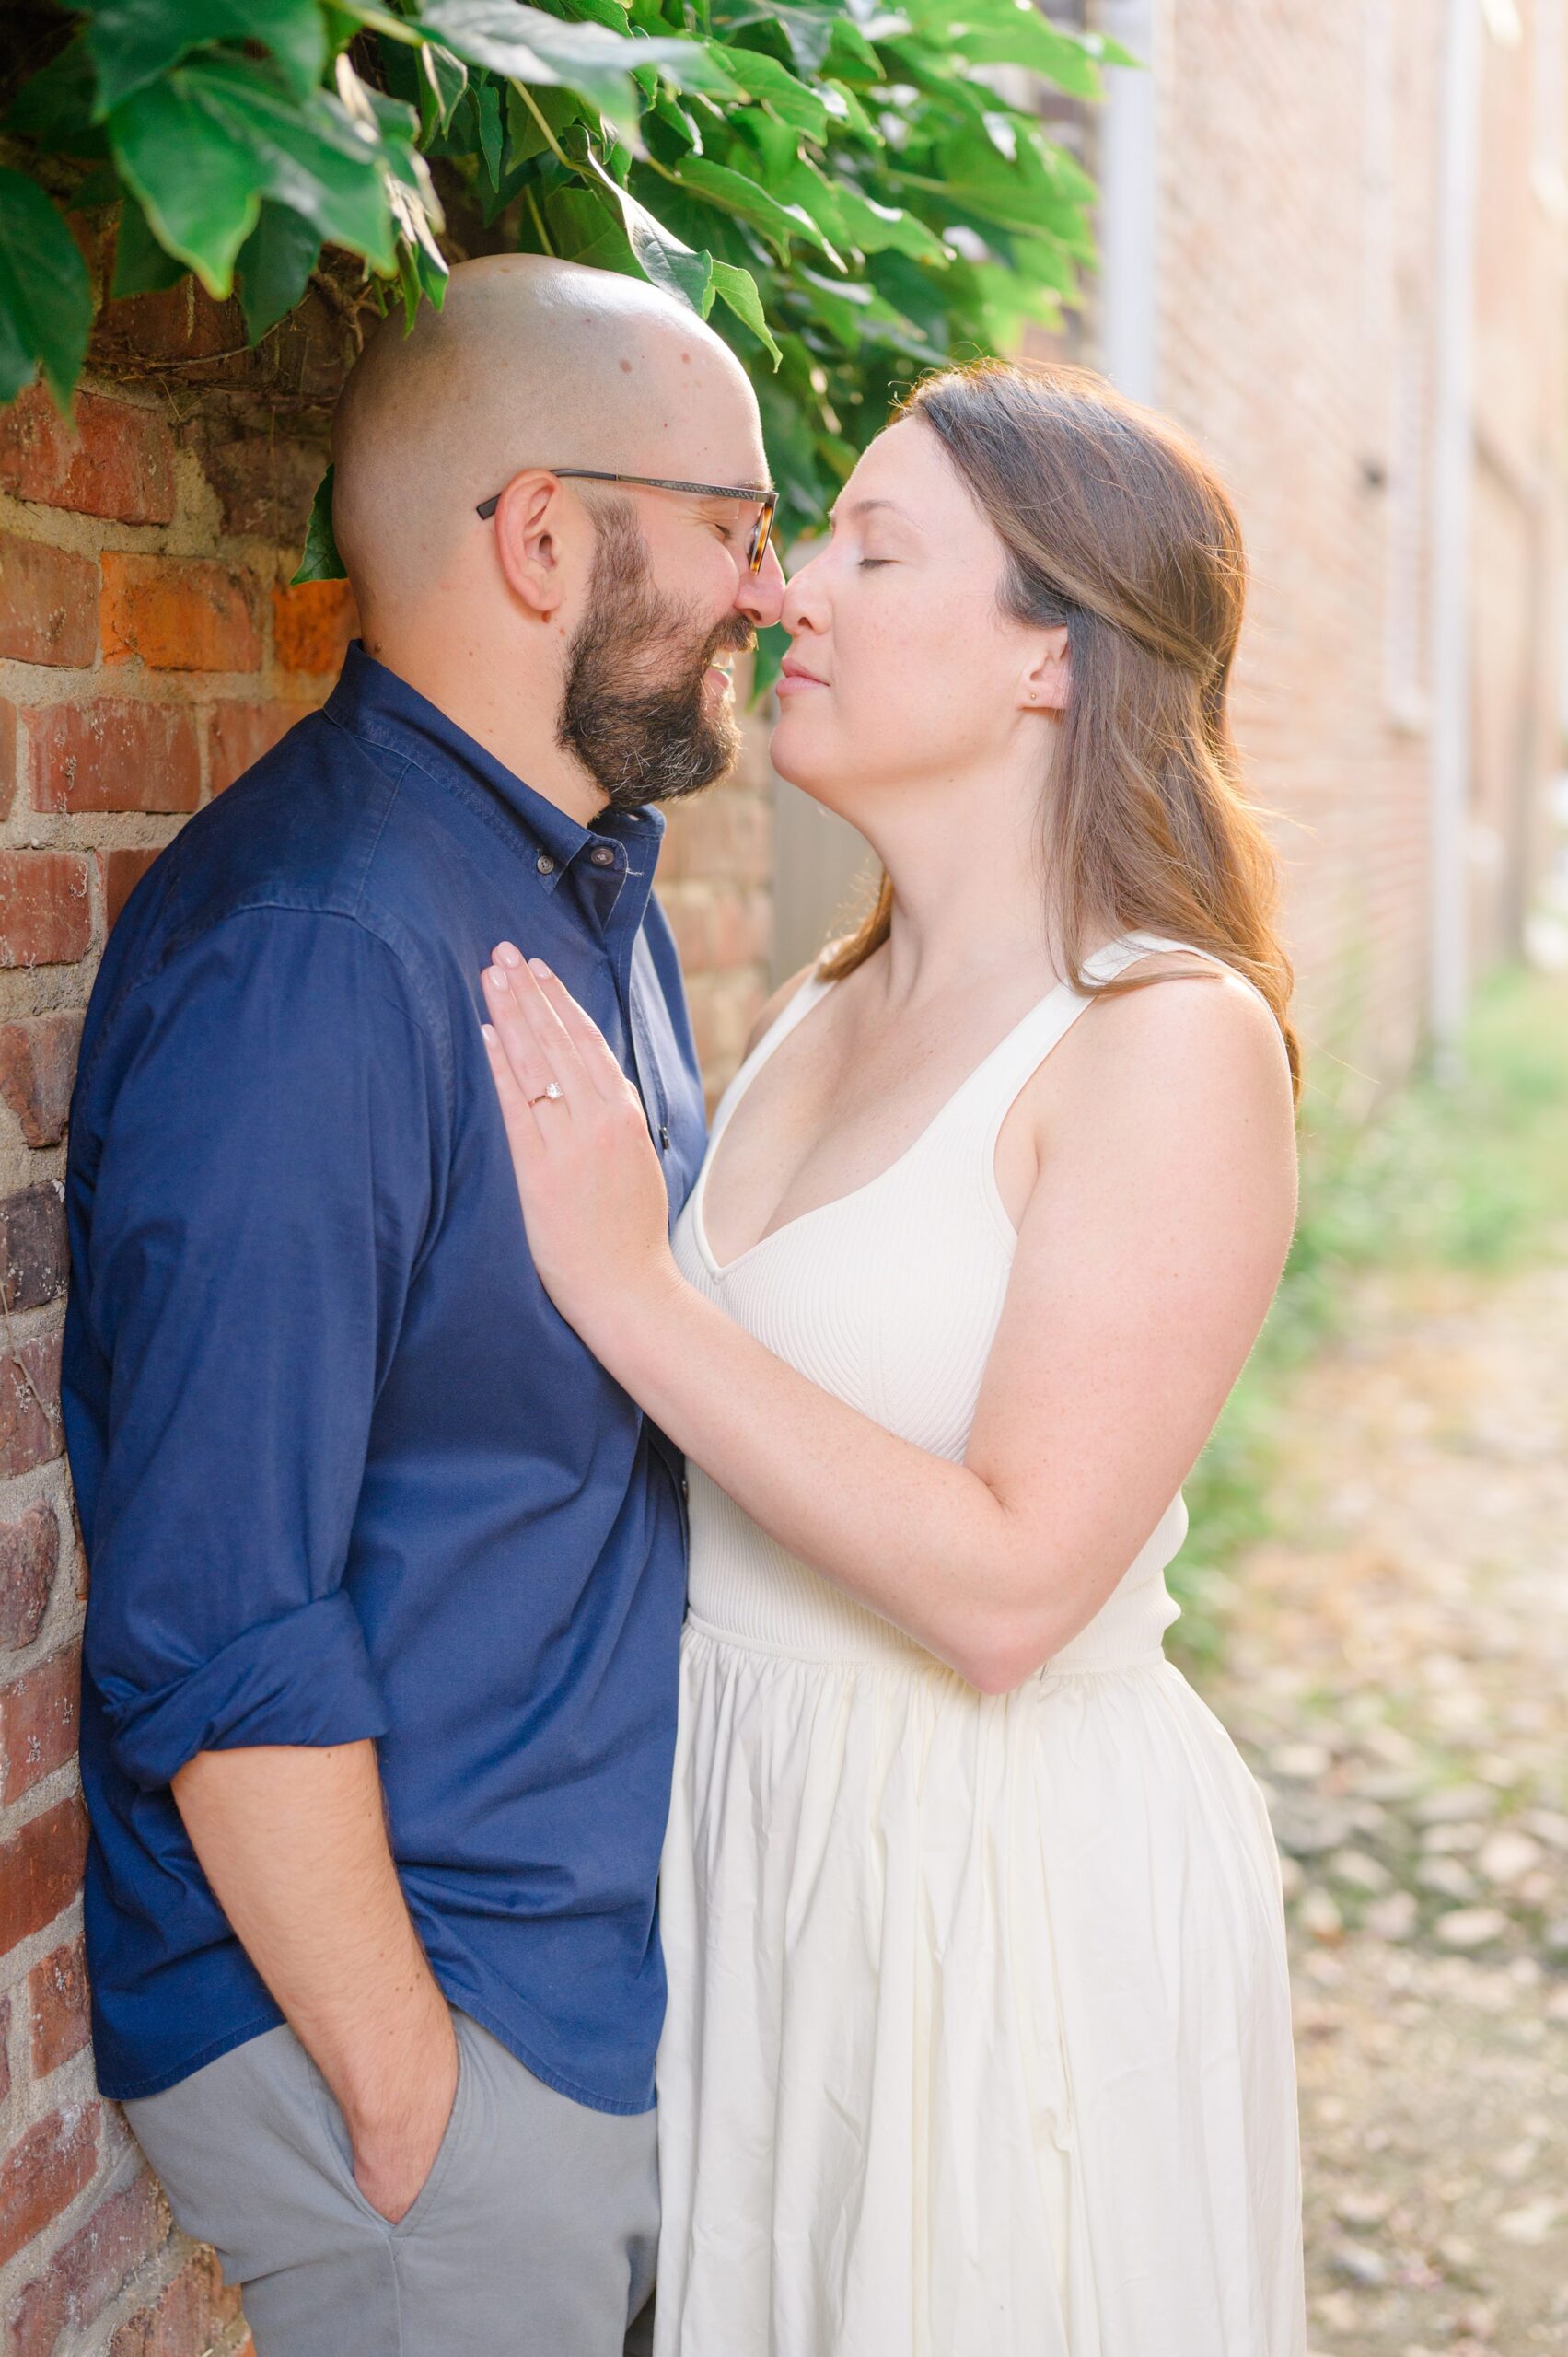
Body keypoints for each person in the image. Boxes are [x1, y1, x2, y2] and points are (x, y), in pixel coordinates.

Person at [478, 359, 1310, 2355]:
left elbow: (1019, 1583)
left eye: (874, 548)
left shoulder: (1164, 1038)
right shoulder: (814, 1016)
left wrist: (632, 1292)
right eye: (807, 546)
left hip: (994, 1899)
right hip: (765, 1863)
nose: (789, 596)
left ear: (1055, 662)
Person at [62, 252, 784, 2357]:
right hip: (424, 2052)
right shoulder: (323, 953)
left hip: (564, 1980)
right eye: (737, 526)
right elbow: (217, 1604)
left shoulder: (579, 877)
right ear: (547, 532)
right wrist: (410, 2101)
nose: (770, 585)